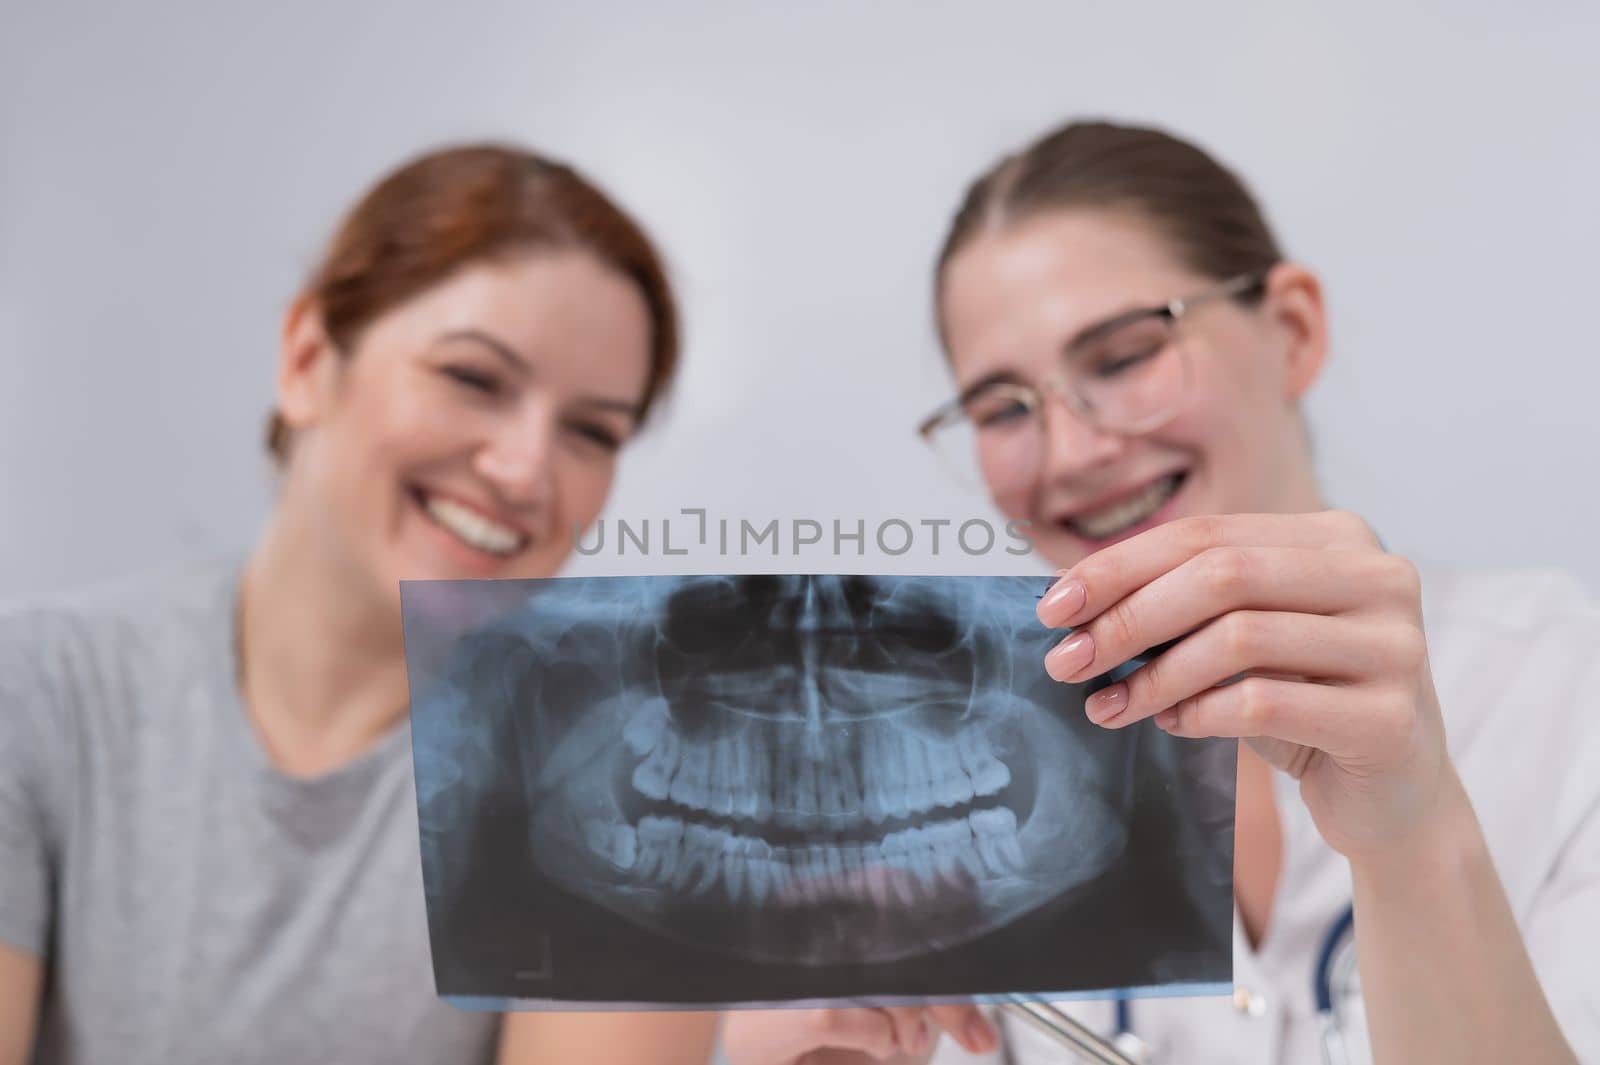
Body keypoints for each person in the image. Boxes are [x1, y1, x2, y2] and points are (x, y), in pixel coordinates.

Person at [721, 120, 1599, 1064]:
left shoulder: (1559, 687)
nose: (1072, 455)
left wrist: (1415, 836)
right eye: (1005, 410)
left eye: (1124, 356)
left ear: (1294, 330)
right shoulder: (941, 793)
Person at [0, 143, 718, 1064]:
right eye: (473, 378)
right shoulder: (37, 694)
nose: (526, 470)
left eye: (590, 431)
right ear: (305, 360)